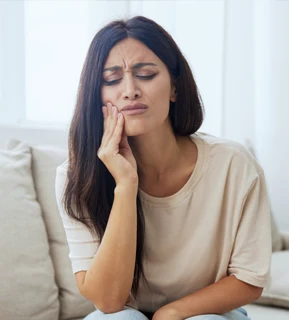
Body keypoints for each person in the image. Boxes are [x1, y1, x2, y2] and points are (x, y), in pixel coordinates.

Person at [55, 16, 272, 320]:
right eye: (112, 80)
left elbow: (249, 279)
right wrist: (125, 186)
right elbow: (108, 301)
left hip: (206, 312)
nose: (130, 90)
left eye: (145, 74)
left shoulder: (233, 165)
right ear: (95, 96)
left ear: (175, 88)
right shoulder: (77, 177)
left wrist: (171, 313)